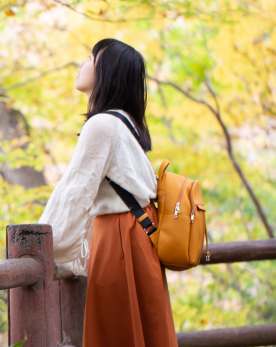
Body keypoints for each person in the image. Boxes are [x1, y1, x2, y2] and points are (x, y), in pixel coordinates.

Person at [38, 38, 177, 347]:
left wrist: (41, 244)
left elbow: (74, 194)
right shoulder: (125, 124)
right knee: (138, 332)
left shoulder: (102, 124)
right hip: (137, 234)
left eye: (90, 57)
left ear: (107, 71)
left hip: (119, 240)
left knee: (115, 333)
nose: (81, 64)